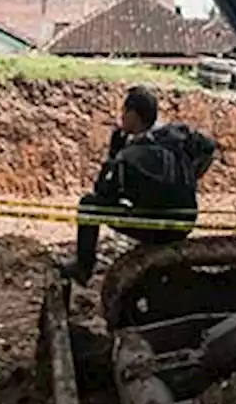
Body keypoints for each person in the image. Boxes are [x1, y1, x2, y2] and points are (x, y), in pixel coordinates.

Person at [60, 86, 217, 286]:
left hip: (155, 226)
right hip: (185, 221)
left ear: (133, 115)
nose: (121, 117)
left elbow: (103, 193)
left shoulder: (130, 154)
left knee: (88, 205)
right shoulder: (177, 134)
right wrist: (191, 179)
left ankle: (83, 267)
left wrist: (113, 155)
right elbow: (209, 149)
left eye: (124, 112)